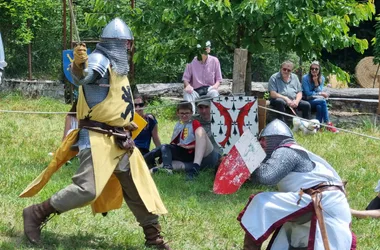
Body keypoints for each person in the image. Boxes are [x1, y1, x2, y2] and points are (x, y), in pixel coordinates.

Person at [20, 18, 170, 249]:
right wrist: (78, 65)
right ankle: (36, 213)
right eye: (127, 42)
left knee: (138, 186)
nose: (129, 47)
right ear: (117, 42)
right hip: (97, 137)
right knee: (87, 189)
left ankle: (154, 238)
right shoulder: (101, 59)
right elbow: (82, 78)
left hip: (121, 141)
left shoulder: (119, 69)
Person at [238, 119, 355, 250]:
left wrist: (248, 159)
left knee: (260, 202)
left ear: (275, 139)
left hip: (322, 201)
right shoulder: (290, 152)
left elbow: (266, 176)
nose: (260, 144)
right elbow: (263, 177)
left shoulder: (286, 151)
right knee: (293, 240)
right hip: (319, 201)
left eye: (264, 140)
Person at [144, 101, 202, 179]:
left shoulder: (195, 123)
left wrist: (188, 147)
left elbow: (201, 143)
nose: (184, 115)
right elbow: (174, 142)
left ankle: (167, 168)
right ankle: (141, 162)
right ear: (177, 113)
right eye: (182, 113)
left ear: (191, 112)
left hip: (189, 153)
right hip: (179, 150)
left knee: (164, 146)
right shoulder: (178, 124)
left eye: (187, 113)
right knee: (160, 149)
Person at [182, 40, 222, 113]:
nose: (203, 51)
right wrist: (187, 86)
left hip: (210, 89)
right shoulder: (191, 61)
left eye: (205, 49)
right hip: (195, 90)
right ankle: (191, 118)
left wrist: (215, 86)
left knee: (215, 94)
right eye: (201, 49)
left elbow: (219, 80)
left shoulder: (215, 60)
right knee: (187, 93)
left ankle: (216, 118)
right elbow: (185, 79)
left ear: (209, 49)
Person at [302, 61, 338, 133]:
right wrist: (320, 93)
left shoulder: (322, 78)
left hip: (317, 100)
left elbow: (319, 90)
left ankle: (318, 127)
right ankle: (328, 123)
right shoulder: (305, 78)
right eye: (312, 69)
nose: (314, 70)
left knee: (320, 106)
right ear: (310, 69)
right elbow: (308, 93)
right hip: (307, 100)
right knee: (322, 101)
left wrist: (316, 83)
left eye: (316, 69)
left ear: (319, 70)